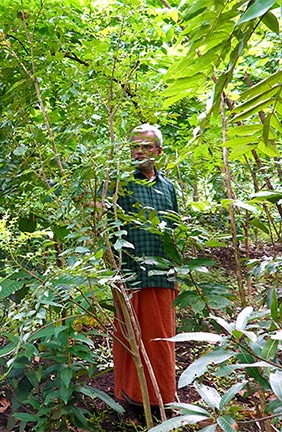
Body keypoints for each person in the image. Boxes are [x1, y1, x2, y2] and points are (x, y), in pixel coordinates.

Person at [112, 124, 179, 412]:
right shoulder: (121, 183)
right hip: (130, 275)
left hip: (163, 275)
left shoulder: (168, 187)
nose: (139, 152)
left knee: (161, 340)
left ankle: (162, 399)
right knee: (129, 341)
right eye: (135, 146)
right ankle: (130, 399)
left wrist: (178, 270)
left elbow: (174, 230)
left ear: (158, 151)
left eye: (146, 147)